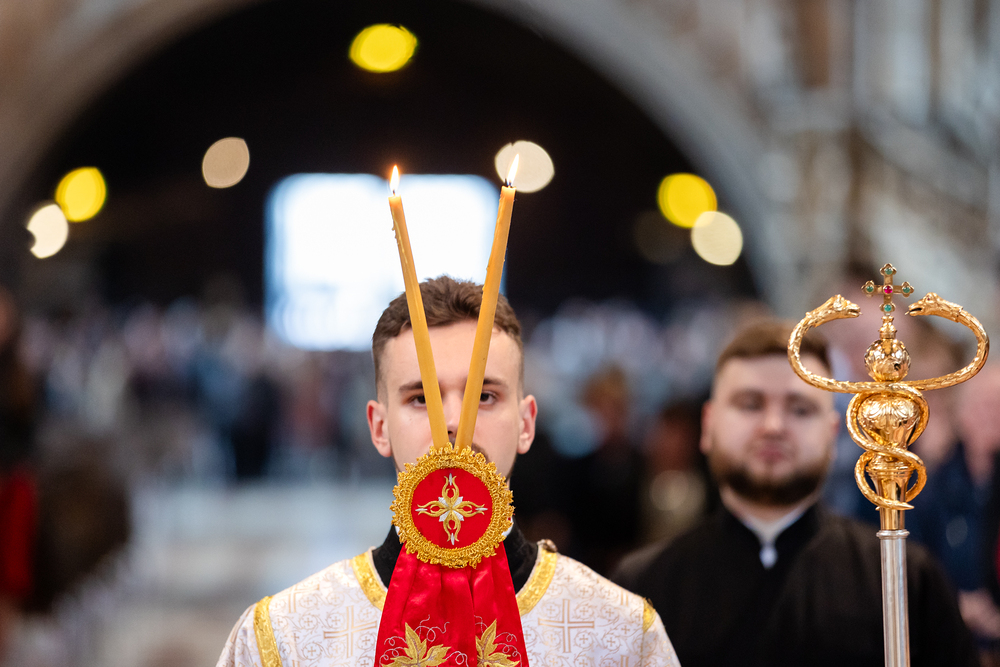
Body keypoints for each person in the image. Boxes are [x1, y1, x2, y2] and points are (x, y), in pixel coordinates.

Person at [217, 277, 680, 667]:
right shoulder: (285, 638)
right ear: (379, 427)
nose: (454, 422)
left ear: (526, 424)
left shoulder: (619, 636)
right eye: (422, 398)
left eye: (485, 396)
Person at [612, 320, 978, 667]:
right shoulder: (640, 591)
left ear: (833, 433)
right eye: (750, 404)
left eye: (800, 409)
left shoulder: (903, 579)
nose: (773, 426)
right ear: (708, 426)